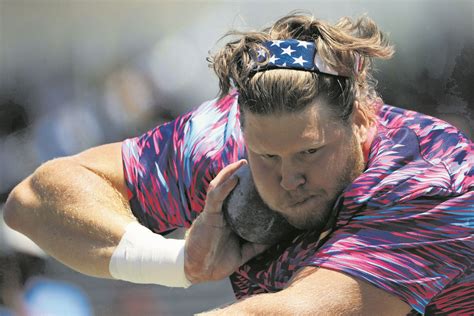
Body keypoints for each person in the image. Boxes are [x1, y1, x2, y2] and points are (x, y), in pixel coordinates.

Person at [3, 13, 473, 315]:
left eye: (310, 152)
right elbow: (33, 201)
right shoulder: (219, 141)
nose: (289, 178)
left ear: (363, 119)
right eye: (267, 157)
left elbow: (294, 312)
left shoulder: (434, 179)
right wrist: (177, 261)